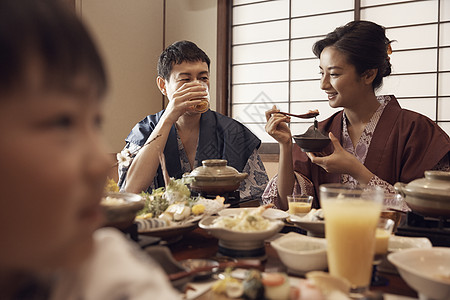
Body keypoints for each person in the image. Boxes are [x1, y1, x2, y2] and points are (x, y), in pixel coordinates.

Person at [0, 1, 180, 299]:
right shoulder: (149, 127)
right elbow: (131, 186)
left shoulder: (102, 268)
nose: (99, 162)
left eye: (95, 121)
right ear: (163, 86)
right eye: (61, 122)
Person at [263, 20, 450, 211]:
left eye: (334, 74)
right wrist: (285, 145)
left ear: (368, 75)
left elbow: (428, 210)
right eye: (321, 73)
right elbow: (288, 204)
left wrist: (355, 169)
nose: (323, 84)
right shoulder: (320, 134)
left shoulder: (415, 129)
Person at [118, 40, 269, 203]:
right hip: (160, 224)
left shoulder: (233, 131)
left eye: (203, 78)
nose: (197, 85)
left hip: (219, 224)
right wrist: (168, 117)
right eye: (185, 80)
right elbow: (130, 190)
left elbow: (260, 199)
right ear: (163, 85)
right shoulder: (145, 131)